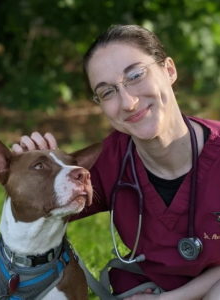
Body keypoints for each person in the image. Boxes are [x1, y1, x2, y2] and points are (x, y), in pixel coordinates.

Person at [12, 25, 220, 299]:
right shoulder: (110, 160)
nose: (129, 102)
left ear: (169, 70)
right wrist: (36, 173)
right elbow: (31, 221)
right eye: (107, 92)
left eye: (135, 75)